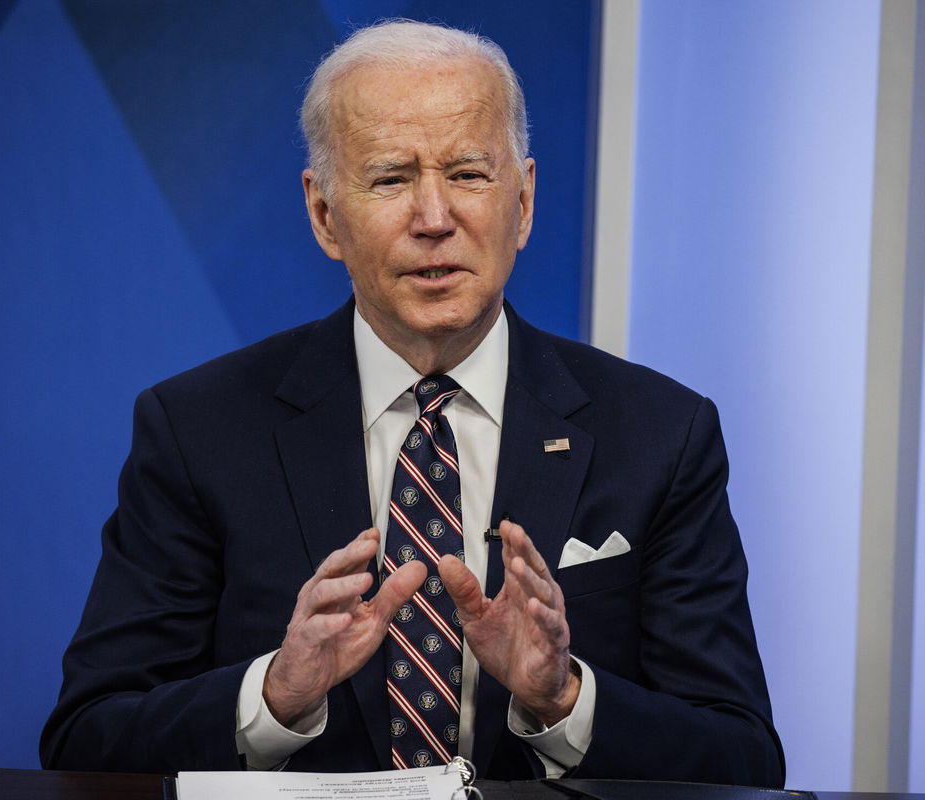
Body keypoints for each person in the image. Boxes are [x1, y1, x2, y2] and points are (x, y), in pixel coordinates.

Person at [40, 20, 784, 785]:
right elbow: (86, 743)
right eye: (391, 179)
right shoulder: (198, 430)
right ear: (325, 214)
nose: (434, 219)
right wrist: (274, 696)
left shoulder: (661, 435)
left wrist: (562, 699)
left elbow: (743, 759)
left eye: (468, 174)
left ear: (523, 202)